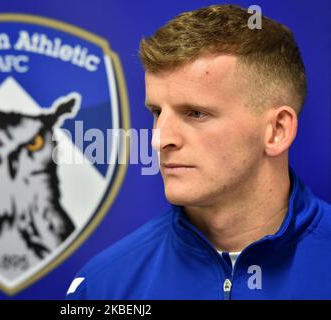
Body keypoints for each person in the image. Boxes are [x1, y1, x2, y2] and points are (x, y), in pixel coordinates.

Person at [66, 4, 331, 299]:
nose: (159, 139)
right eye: (156, 112)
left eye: (195, 113)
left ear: (277, 130)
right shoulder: (104, 285)